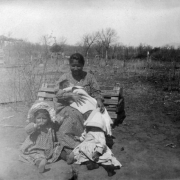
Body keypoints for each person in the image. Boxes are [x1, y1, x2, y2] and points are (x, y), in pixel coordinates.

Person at [53, 53, 105, 162]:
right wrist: (71, 95)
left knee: (91, 117)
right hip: (67, 106)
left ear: (83, 65)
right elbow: (57, 92)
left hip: (85, 108)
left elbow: (96, 91)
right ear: (69, 65)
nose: (75, 68)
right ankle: (76, 147)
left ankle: (75, 148)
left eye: (78, 66)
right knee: (71, 117)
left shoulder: (89, 77)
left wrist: (99, 100)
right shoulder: (64, 77)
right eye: (73, 66)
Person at [66, 109, 122, 177]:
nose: (92, 127)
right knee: (80, 153)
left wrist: (98, 152)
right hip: (85, 146)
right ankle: (89, 163)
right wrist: (79, 138)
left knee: (103, 159)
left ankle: (109, 168)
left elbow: (102, 143)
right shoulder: (87, 130)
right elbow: (84, 137)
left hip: (94, 147)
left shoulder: (99, 132)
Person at [19, 101, 59, 173]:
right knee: (36, 156)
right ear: (34, 119)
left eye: (44, 118)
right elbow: (27, 130)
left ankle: (41, 161)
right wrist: (35, 126)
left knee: (39, 155)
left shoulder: (49, 126)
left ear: (48, 119)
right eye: (38, 118)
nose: (41, 120)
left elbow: (56, 124)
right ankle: (40, 163)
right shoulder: (34, 125)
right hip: (35, 147)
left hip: (43, 148)